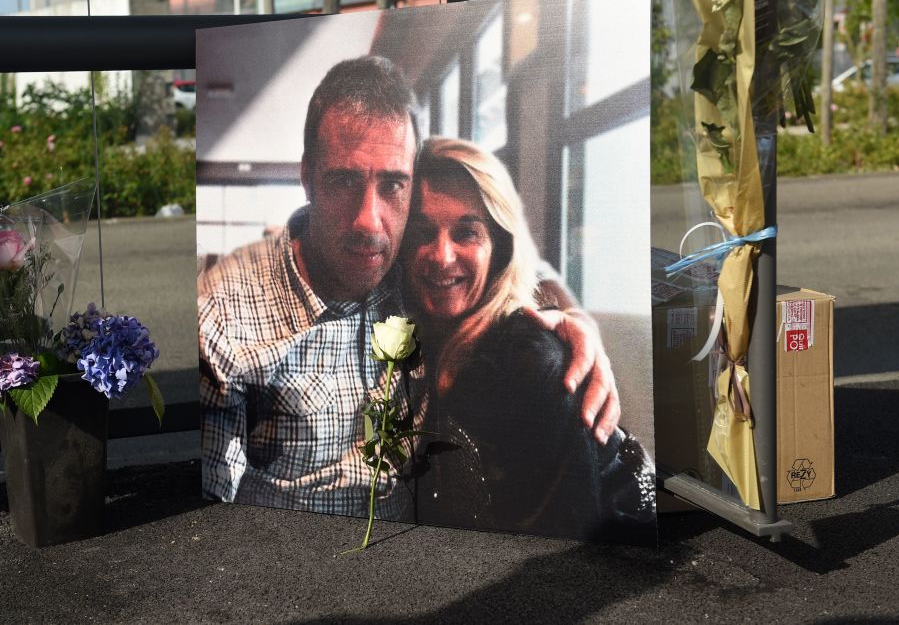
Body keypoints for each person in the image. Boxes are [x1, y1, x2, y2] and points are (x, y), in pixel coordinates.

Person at [198, 55, 621, 519]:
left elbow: (517, 264)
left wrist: (575, 325)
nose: (368, 220)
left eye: (394, 185)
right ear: (307, 179)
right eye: (342, 181)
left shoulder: (407, 275)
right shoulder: (224, 327)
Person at [404, 138, 655, 540]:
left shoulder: (528, 363)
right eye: (421, 232)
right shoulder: (415, 336)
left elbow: (563, 561)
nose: (442, 256)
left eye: (466, 233)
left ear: (498, 248)